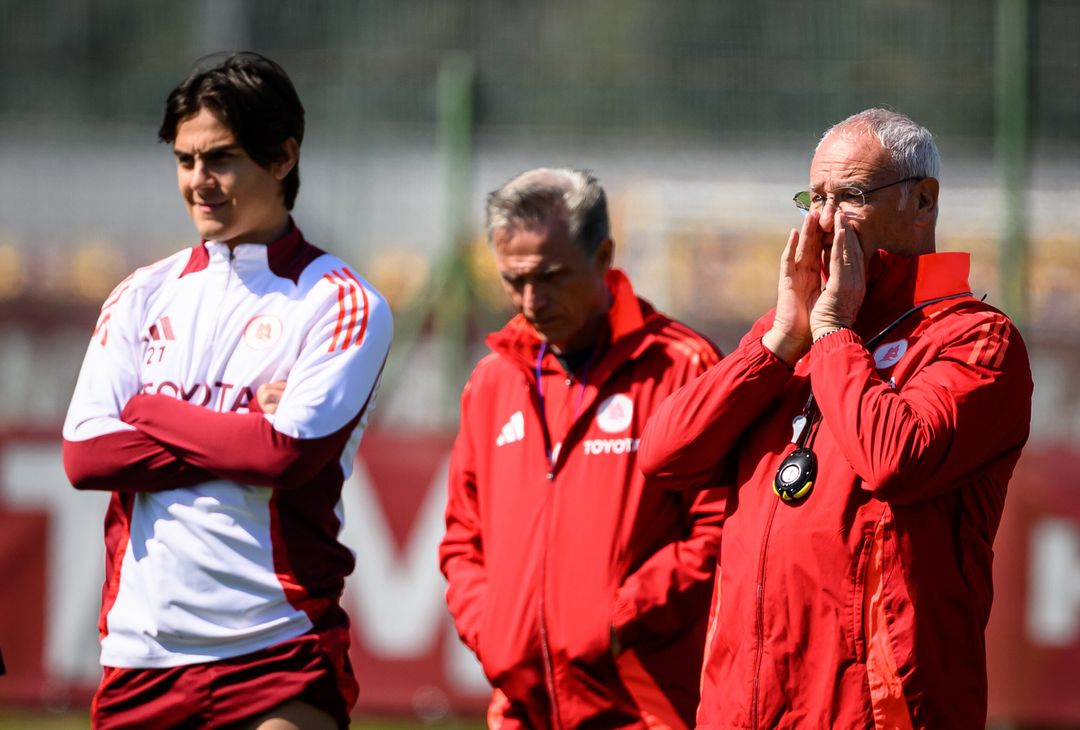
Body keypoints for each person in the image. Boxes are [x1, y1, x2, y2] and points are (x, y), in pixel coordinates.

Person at [638, 108, 1033, 728]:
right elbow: (663, 455)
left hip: (873, 713)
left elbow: (893, 461)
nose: (822, 220)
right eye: (813, 197)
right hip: (741, 709)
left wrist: (832, 336)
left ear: (923, 202)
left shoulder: (976, 340)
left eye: (848, 196)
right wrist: (775, 347)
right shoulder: (788, 338)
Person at [62, 52, 392, 730]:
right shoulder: (140, 295)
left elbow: (284, 457)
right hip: (140, 653)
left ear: (282, 157)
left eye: (221, 158)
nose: (198, 183)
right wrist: (238, 433)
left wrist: (150, 413)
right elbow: (86, 458)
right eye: (185, 161)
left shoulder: (341, 301)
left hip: (279, 644)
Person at [439, 168, 727, 729]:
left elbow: (720, 528)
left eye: (550, 276)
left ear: (603, 257)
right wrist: (495, 630)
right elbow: (461, 539)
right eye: (513, 280)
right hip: (519, 712)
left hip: (645, 708)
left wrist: (619, 617)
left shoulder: (683, 366)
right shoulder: (491, 381)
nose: (531, 300)